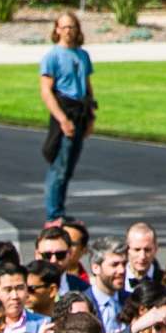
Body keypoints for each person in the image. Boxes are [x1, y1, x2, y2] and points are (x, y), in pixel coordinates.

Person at [39, 12, 96, 222]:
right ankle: (54, 213)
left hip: (80, 110)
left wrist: (91, 116)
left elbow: (88, 87)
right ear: (56, 30)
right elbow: (46, 91)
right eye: (64, 27)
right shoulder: (52, 56)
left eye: (72, 27)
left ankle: (60, 210)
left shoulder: (83, 55)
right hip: (64, 108)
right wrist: (62, 119)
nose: (68, 31)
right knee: (59, 166)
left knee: (69, 166)